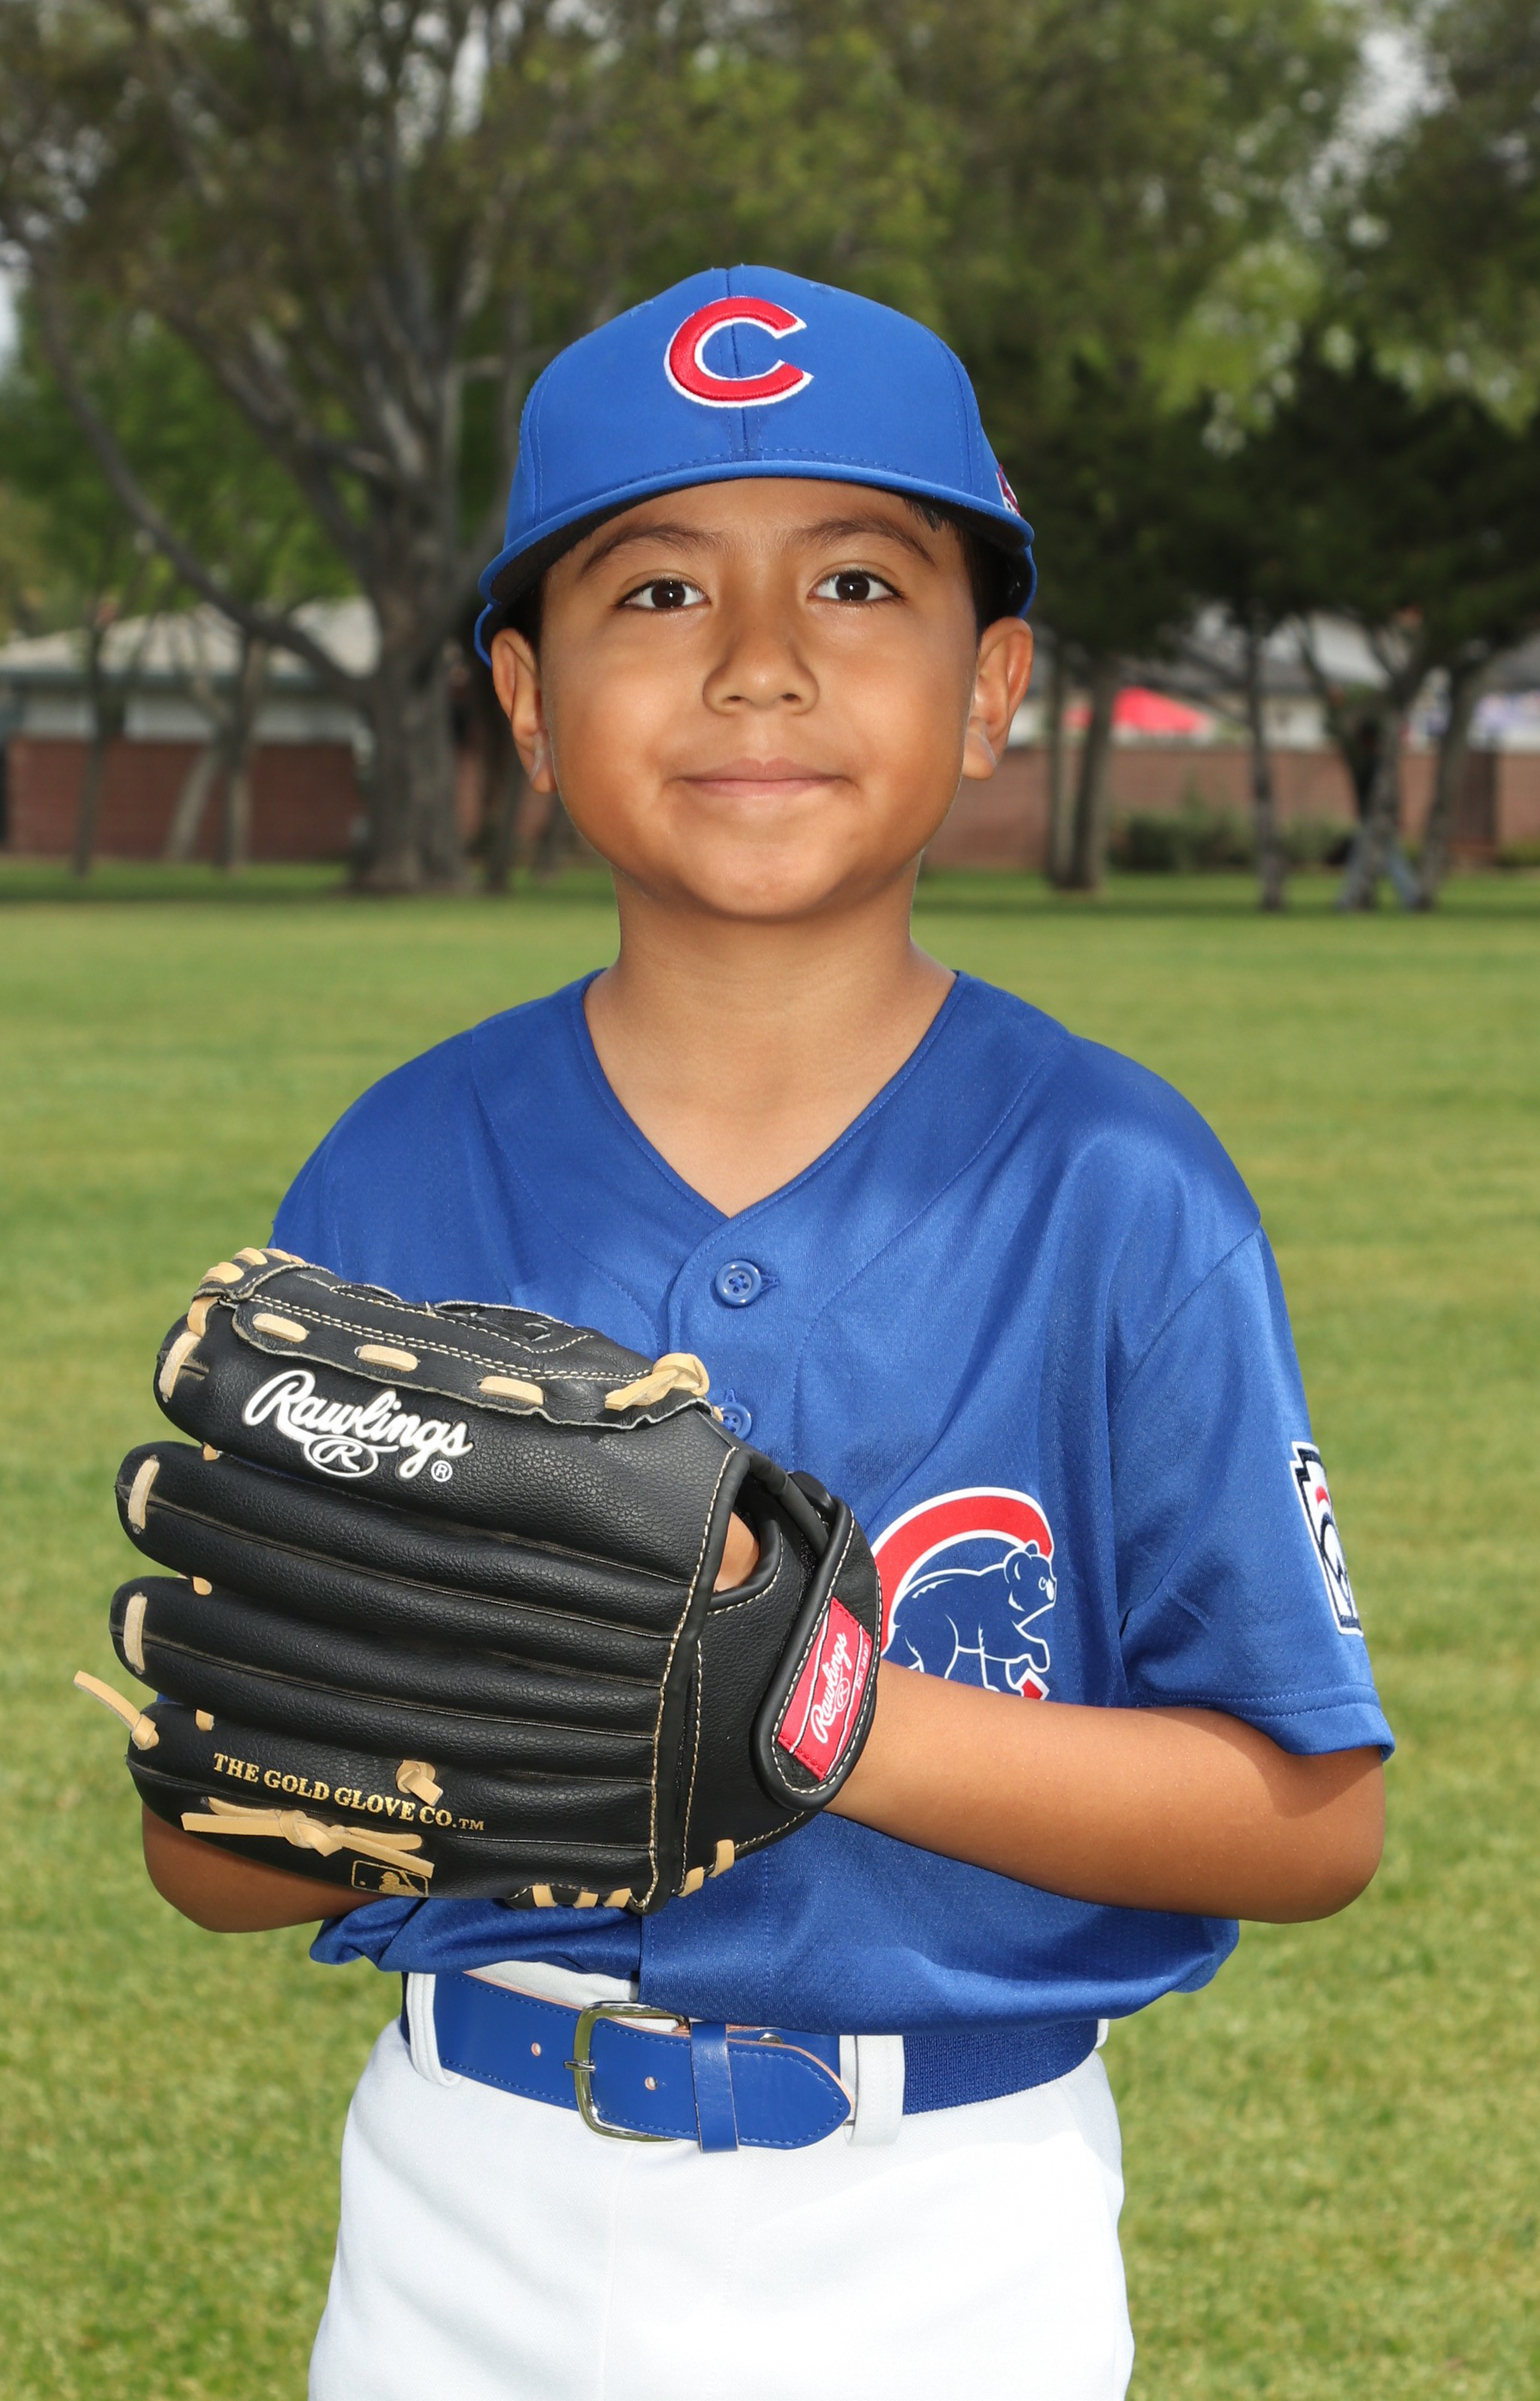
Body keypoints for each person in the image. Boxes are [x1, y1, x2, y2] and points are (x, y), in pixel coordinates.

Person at [141, 266, 1392, 2400]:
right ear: (525, 702)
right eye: (653, 592)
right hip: (471, 2202)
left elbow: (1305, 1817)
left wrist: (813, 1717)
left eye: (854, 581)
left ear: (993, 684)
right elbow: (211, 1861)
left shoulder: (1119, 1187)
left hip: (950, 2227)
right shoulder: (397, 1168)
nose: (756, 661)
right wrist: (400, 1729)